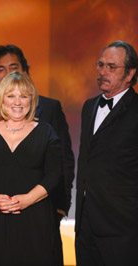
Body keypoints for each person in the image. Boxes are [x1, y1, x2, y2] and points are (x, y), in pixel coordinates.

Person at [0, 71, 63, 266]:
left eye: (24, 96)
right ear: (1, 99)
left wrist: (26, 200)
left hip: (34, 219)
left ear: (32, 100)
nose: (17, 102)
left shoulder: (46, 131)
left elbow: (54, 175)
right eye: (11, 96)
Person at [0, 44, 75, 220]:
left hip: (42, 210)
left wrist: (61, 206)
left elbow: (63, 162)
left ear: (26, 71)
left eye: (13, 68)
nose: (8, 74)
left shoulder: (50, 109)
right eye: (1, 69)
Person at [75, 41, 138, 266]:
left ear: (130, 73)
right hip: (85, 224)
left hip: (123, 228)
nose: (102, 72)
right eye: (100, 65)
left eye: (111, 67)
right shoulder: (89, 106)